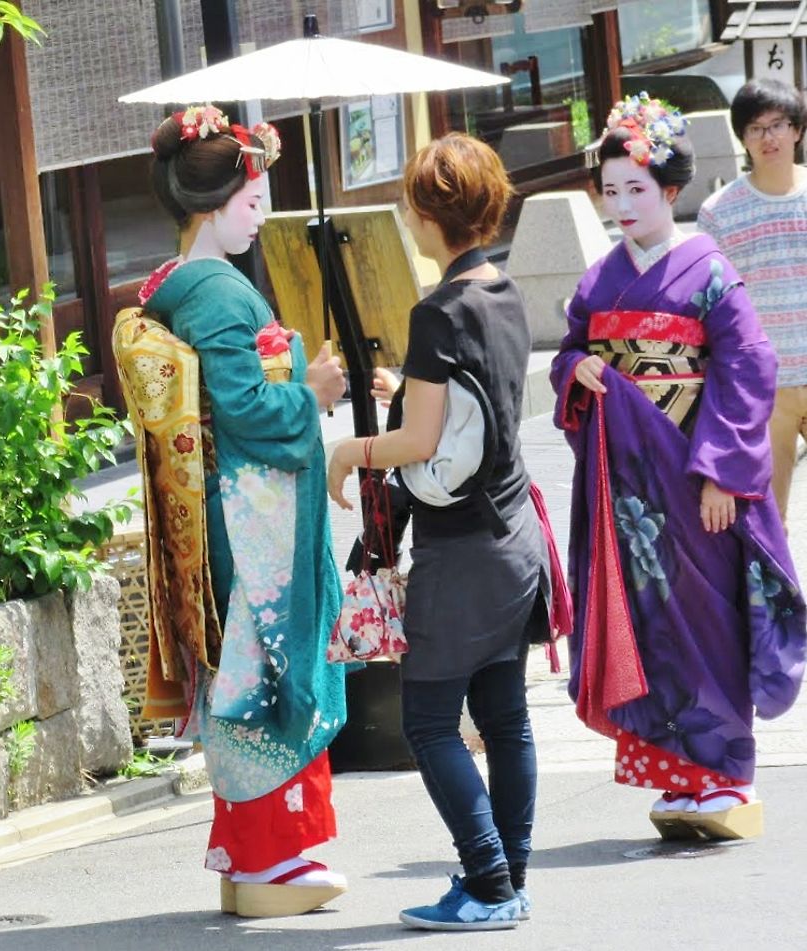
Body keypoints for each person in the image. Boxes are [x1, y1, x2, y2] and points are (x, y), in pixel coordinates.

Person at [112, 104, 349, 918]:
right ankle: (268, 855)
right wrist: (309, 392)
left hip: (229, 512)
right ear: (213, 206)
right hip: (250, 525)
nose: (262, 215)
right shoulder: (215, 292)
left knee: (243, 674)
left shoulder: (177, 282)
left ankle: (246, 851)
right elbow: (245, 411)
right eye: (254, 202)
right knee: (264, 671)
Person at [551, 94, 806, 840]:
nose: (622, 204)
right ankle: (681, 776)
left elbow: (749, 365)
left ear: (671, 191)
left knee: (709, 620)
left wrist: (727, 470)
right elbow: (570, 349)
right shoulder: (599, 281)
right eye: (611, 191)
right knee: (654, 622)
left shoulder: (708, 270)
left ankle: (725, 776)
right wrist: (577, 372)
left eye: (637, 189)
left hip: (697, 479)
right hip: (634, 486)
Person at [328, 133, 558, 931]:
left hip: (462, 551)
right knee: (505, 716)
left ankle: (490, 882)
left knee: (428, 720)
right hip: (516, 531)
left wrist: (347, 449)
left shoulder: (438, 309)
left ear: (428, 216)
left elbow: (419, 445)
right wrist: (405, 394)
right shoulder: (503, 291)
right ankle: (508, 878)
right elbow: (465, 408)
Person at [697, 78, 807, 527]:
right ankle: (783, 599)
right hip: (765, 387)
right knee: (768, 520)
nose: (769, 137)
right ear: (741, 137)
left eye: (778, 124)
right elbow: (711, 307)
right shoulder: (719, 212)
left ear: (798, 130)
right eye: (756, 128)